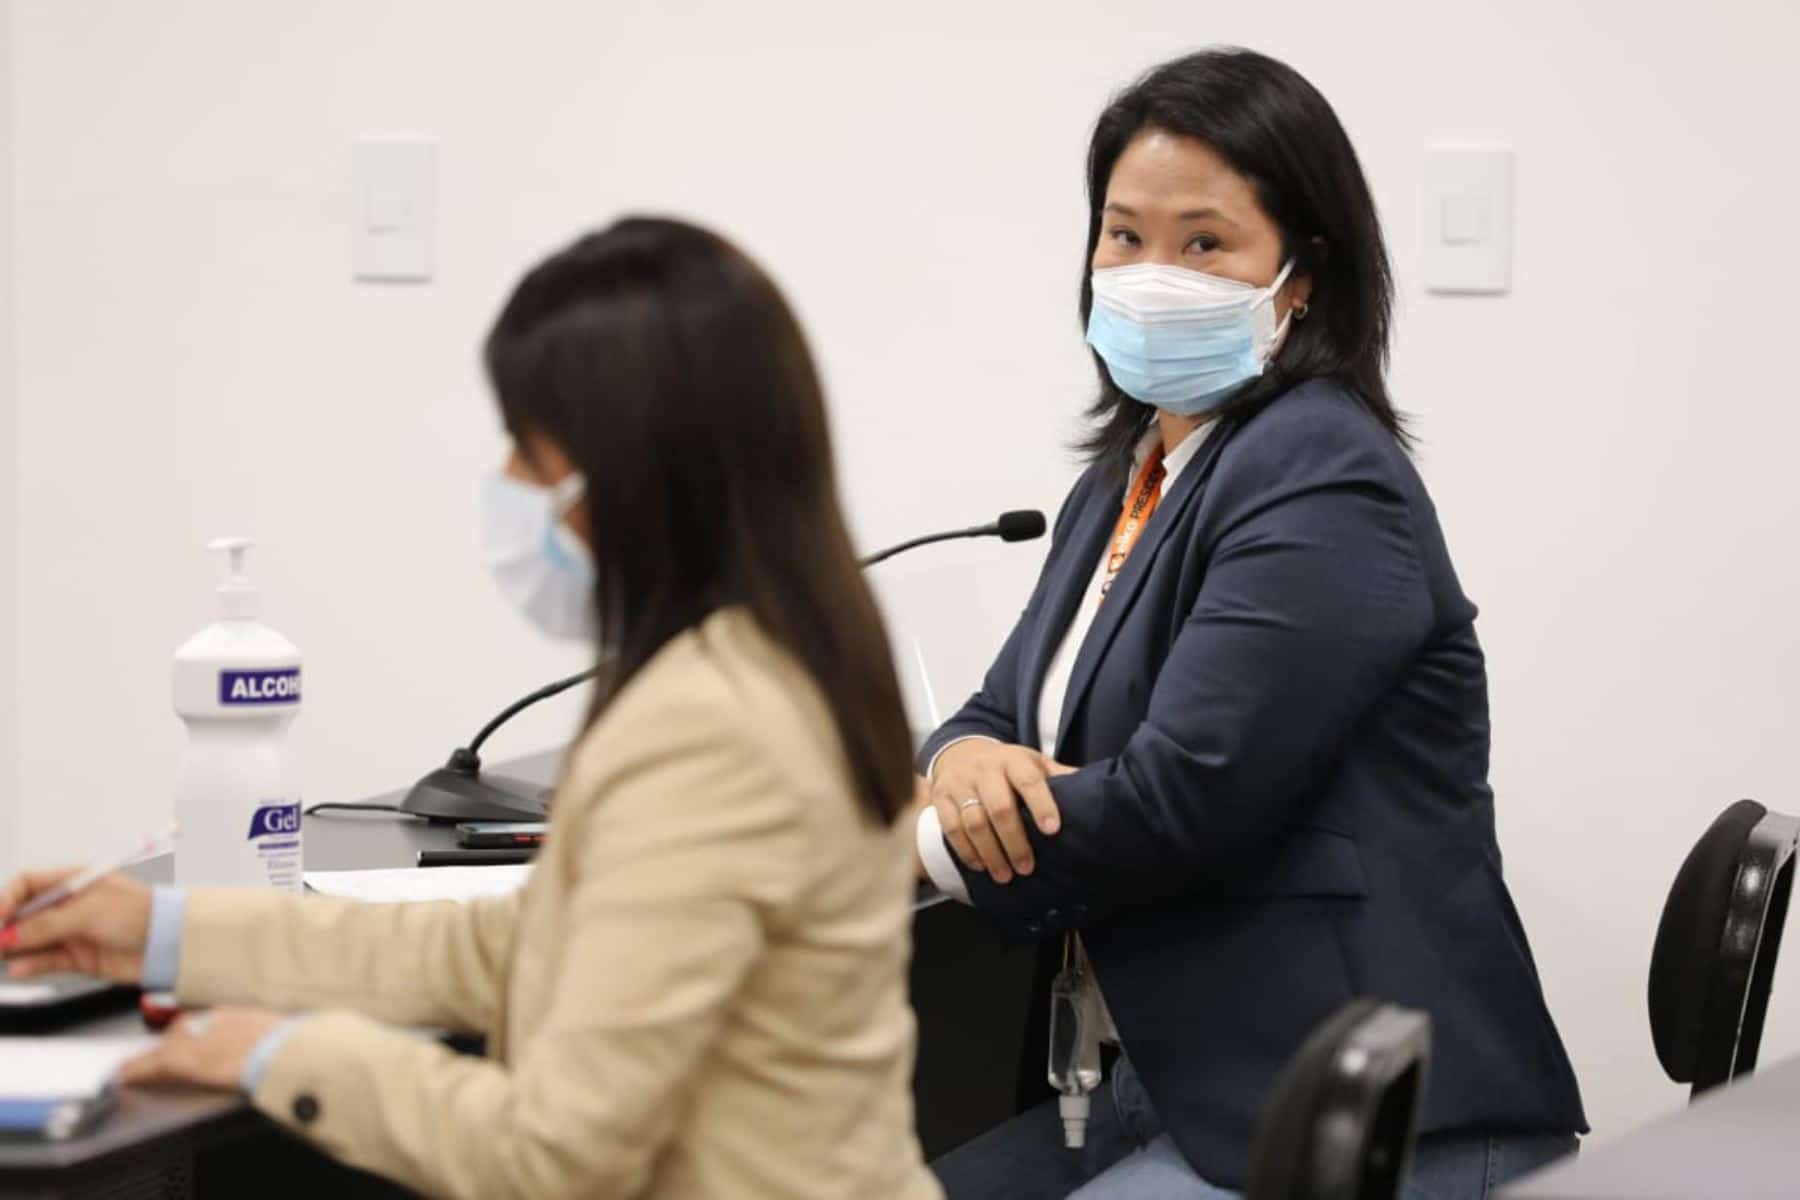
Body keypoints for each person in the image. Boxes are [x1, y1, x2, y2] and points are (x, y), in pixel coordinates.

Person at [0, 218, 943, 1200]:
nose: (506, 486)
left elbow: (554, 1155)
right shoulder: (775, 665)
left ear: (629, 472)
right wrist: (161, 933)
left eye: (527, 455)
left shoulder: (712, 731)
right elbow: (508, 951)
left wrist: (276, 1056)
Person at [915, 48, 1587, 1200]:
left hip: (1359, 1119)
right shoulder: (1127, 478)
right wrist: (960, 763)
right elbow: (993, 710)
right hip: (1178, 1085)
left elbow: (1181, 798)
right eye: (1124, 235)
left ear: (1302, 277)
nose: (1150, 274)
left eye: (1204, 244)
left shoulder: (1322, 472)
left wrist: (921, 845)